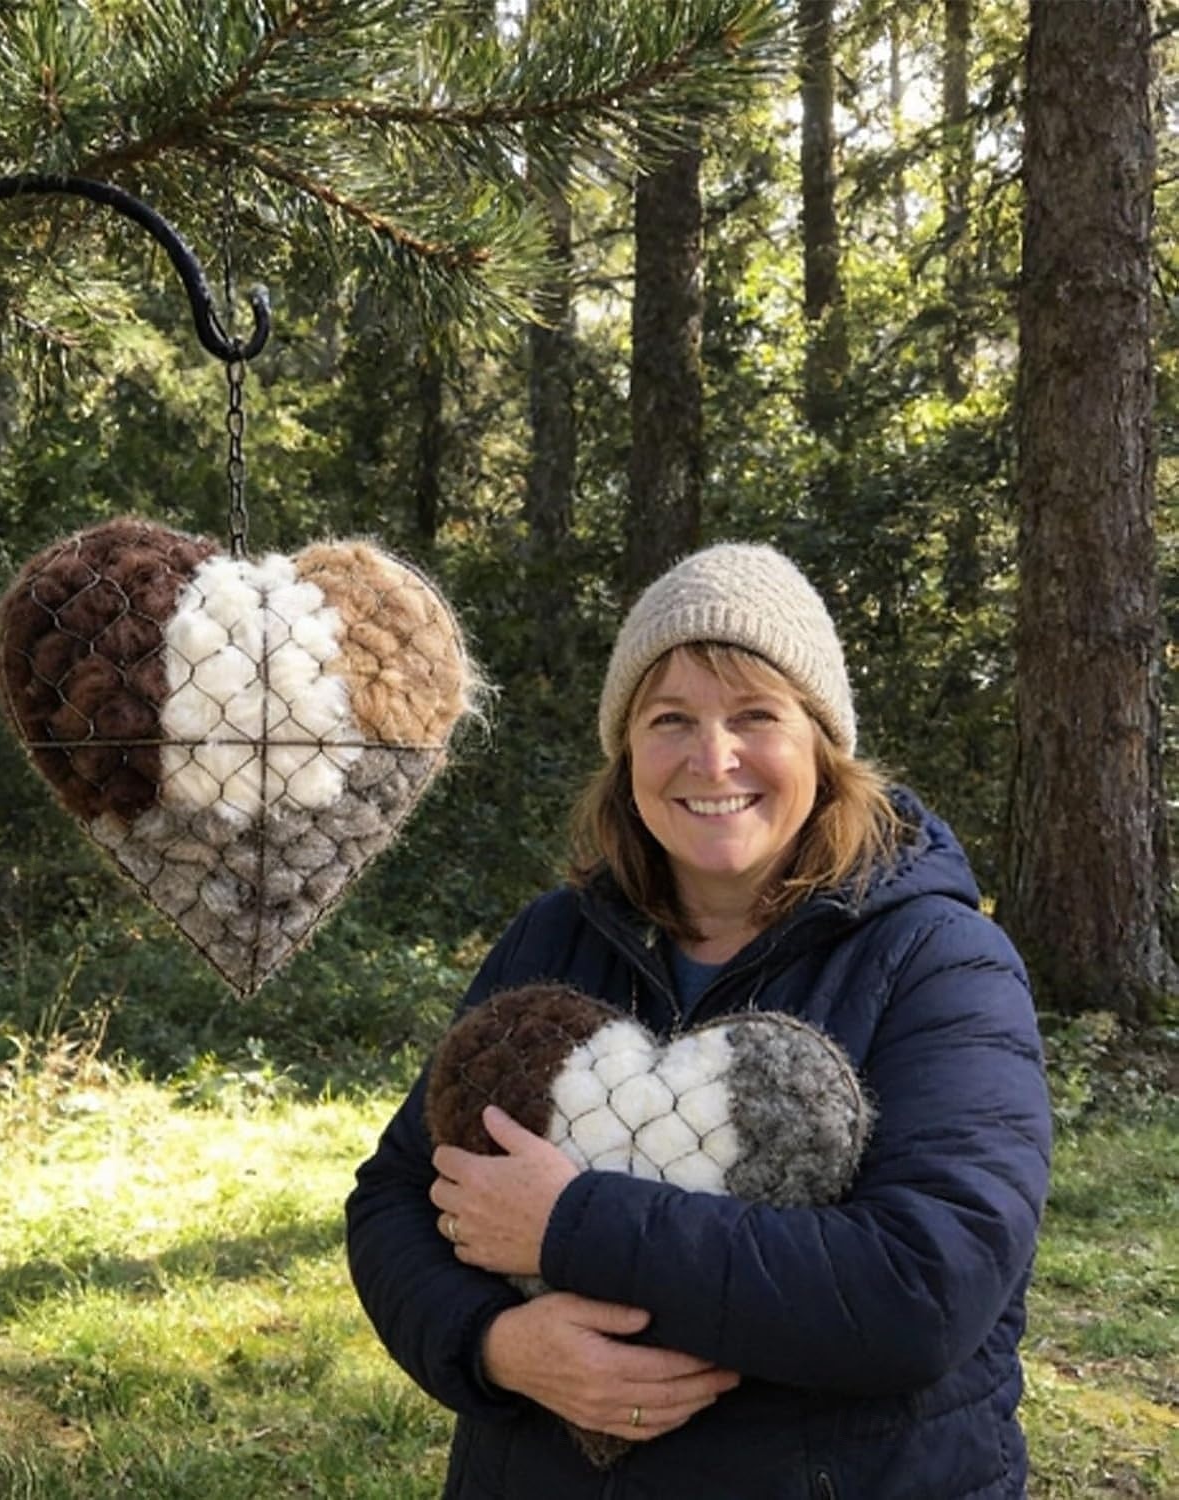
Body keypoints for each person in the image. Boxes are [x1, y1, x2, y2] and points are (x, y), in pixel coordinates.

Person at [345, 542, 1052, 1500]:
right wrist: (497, 1346)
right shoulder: (553, 939)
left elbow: (923, 1288)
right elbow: (396, 1200)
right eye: (669, 718)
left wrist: (570, 1226)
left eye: (755, 716)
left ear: (820, 742)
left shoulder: (938, 960)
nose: (712, 758)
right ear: (626, 749)